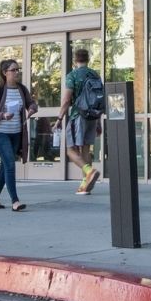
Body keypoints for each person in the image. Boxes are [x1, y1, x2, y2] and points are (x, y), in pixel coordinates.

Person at [0, 58, 37, 211]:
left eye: (18, 69)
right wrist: (2, 115)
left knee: (4, 167)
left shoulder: (21, 89)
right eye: (13, 70)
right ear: (4, 73)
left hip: (17, 134)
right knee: (10, 165)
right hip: (1, 134)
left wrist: (32, 109)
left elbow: (31, 103)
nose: (16, 72)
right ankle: (15, 201)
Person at [60, 48, 106, 194]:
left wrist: (59, 118)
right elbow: (98, 99)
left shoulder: (72, 75)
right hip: (92, 116)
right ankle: (85, 185)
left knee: (70, 150)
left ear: (75, 60)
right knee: (85, 149)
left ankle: (89, 170)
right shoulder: (95, 74)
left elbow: (67, 99)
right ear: (88, 59)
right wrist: (98, 121)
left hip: (77, 116)